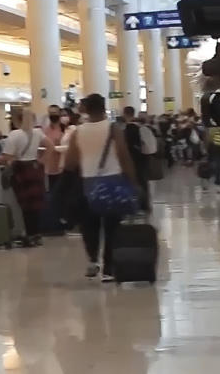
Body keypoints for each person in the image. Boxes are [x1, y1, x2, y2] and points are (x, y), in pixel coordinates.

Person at [64, 94, 137, 282]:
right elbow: (123, 155)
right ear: (104, 108)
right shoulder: (113, 128)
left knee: (89, 224)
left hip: (88, 183)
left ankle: (92, 261)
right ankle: (109, 269)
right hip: (113, 182)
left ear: (86, 109)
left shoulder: (77, 132)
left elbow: (70, 162)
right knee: (112, 226)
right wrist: (133, 181)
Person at [0, 109, 54, 247]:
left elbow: (8, 157)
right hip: (34, 168)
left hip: (21, 170)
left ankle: (29, 234)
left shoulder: (14, 134)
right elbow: (50, 147)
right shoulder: (38, 133)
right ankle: (36, 234)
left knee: (25, 205)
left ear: (17, 120)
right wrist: (41, 161)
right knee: (36, 204)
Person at [122, 106, 151, 211]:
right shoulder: (139, 126)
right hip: (141, 157)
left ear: (125, 114)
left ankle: (139, 204)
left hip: (133, 158)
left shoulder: (129, 128)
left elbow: (128, 145)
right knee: (143, 181)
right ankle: (145, 204)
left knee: (136, 181)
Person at [43, 105, 66, 191]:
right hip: (49, 170)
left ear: (59, 114)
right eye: (50, 113)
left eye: (55, 113)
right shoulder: (45, 130)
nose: (52, 115)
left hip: (63, 169)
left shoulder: (65, 129)